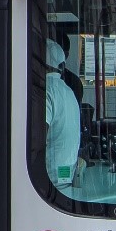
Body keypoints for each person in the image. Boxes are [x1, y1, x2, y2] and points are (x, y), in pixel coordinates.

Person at [45, 39, 82, 188]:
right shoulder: (68, 90)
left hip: (46, 178)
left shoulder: (46, 90)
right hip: (65, 174)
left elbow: (37, 137)